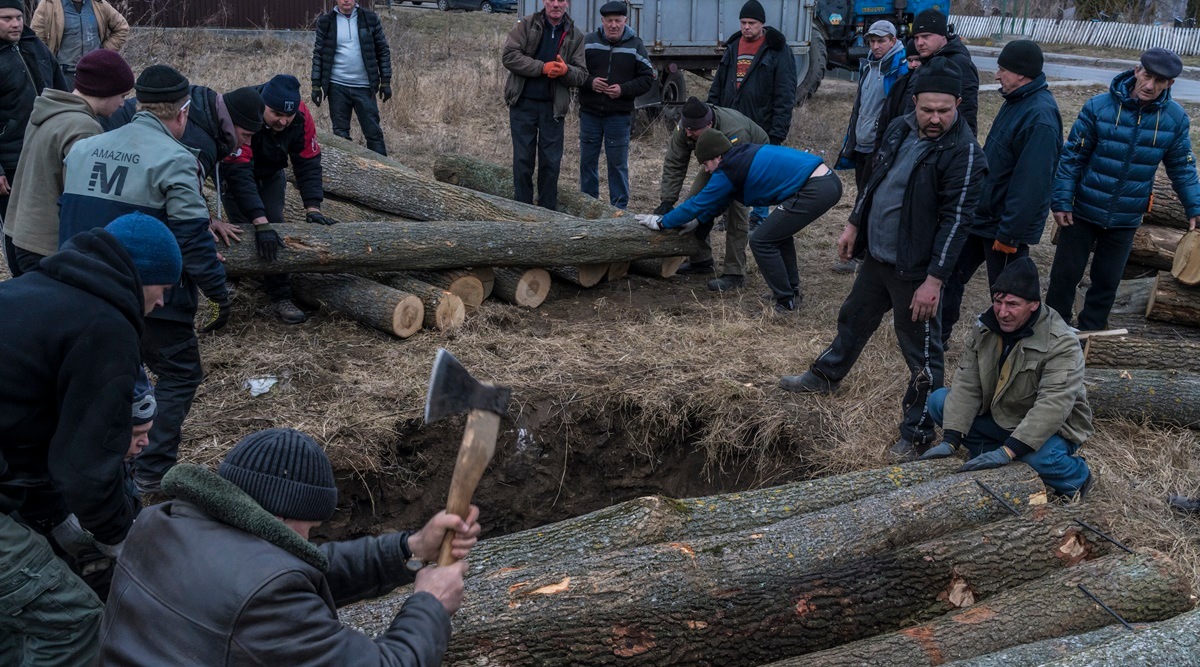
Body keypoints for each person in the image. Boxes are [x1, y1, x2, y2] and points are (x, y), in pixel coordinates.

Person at [97, 428, 481, 665]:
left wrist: (410, 548)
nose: (310, 539)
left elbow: (285, 570)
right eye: (310, 527)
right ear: (281, 516)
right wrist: (430, 604)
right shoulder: (266, 596)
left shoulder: (162, 523)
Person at [779, 58, 986, 461]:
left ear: (958, 104)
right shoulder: (900, 128)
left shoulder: (964, 154)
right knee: (854, 318)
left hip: (917, 270)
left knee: (923, 355)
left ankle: (919, 431)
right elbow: (875, 181)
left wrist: (935, 280)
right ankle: (824, 375)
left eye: (944, 110)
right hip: (878, 256)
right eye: (927, 109)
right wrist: (854, 225)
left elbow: (957, 223)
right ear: (915, 102)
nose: (934, 118)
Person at [0, 213, 182, 666]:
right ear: (143, 277)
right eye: (164, 288)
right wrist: (121, 539)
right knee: (74, 621)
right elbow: (85, 467)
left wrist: (56, 518)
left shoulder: (29, 294)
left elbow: (25, 432)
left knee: (13, 623)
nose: (163, 303)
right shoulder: (104, 327)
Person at [60, 65, 232, 493]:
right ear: (182, 113)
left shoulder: (84, 149)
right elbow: (194, 239)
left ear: (138, 104)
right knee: (179, 372)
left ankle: (109, 460)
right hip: (146, 293)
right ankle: (151, 467)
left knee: (109, 376)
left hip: (78, 284)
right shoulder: (176, 160)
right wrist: (218, 293)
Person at [1047, 47, 1200, 332]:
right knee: (1065, 276)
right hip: (1083, 209)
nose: (1150, 86)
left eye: (1160, 81)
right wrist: (1062, 198)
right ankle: (1053, 329)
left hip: (1126, 216)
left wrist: (1195, 208)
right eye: (1147, 76)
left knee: (1107, 281)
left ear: (1170, 84)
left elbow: (1182, 167)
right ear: (1136, 70)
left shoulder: (1175, 120)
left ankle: (1091, 332)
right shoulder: (1098, 107)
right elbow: (1072, 157)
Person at [919, 257, 1094, 497]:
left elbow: (1054, 405)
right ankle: (998, 454)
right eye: (998, 302)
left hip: (1053, 427)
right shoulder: (984, 327)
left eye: (1012, 304)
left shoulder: (1061, 342)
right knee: (939, 402)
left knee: (1042, 460)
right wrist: (950, 439)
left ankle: (1078, 477)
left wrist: (1008, 452)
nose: (1002, 312)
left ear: (1033, 305)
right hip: (1002, 415)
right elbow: (968, 383)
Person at [940, 40, 1062, 350]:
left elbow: (1032, 186)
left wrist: (1010, 233)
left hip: (1004, 228)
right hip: (982, 216)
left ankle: (1016, 351)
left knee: (1009, 295)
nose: (997, 75)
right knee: (949, 273)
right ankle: (937, 336)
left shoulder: (1041, 117)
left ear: (1021, 74)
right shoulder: (1016, 101)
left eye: (1003, 69)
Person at [637, 129, 841, 312]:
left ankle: (785, 300)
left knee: (762, 240)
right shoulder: (739, 157)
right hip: (824, 182)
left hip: (815, 188)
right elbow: (720, 201)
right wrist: (698, 221)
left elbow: (697, 203)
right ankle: (792, 292)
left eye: (706, 163)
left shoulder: (729, 168)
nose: (706, 170)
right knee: (777, 235)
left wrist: (662, 222)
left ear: (717, 156)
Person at [3, 48, 133, 277]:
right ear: (106, 90)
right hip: (47, 245)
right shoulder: (83, 127)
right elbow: (82, 200)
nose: (123, 104)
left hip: (19, 234)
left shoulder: (48, 110)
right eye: (122, 96)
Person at [223, 74, 340, 325]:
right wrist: (259, 221)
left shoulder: (301, 116)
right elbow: (240, 175)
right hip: (237, 174)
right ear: (263, 103)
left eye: (288, 116)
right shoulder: (245, 110)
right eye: (276, 114)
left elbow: (307, 161)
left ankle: (280, 296)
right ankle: (228, 277)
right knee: (242, 228)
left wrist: (313, 207)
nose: (283, 121)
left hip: (272, 174)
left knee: (275, 227)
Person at [655, 97, 769, 290]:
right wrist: (667, 200)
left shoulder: (735, 132)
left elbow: (728, 186)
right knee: (693, 203)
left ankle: (735, 273)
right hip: (715, 160)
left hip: (749, 160)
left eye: (693, 130)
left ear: (709, 124)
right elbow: (675, 162)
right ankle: (701, 261)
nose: (688, 133)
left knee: (736, 211)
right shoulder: (686, 128)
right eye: (686, 128)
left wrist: (706, 217)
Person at [502, 0, 588, 212]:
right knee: (523, 161)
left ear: (567, 3)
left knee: (551, 163)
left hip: (553, 108)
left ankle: (548, 212)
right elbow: (509, 56)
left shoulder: (576, 35)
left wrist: (565, 71)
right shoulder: (526, 24)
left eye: (561, 0)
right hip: (523, 104)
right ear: (544, 1)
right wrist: (543, 68)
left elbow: (582, 74)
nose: (556, 4)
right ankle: (522, 211)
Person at [578, 0, 655, 210]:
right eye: (609, 21)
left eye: (618, 21)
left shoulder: (635, 45)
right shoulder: (589, 42)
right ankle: (588, 206)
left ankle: (618, 210)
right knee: (587, 163)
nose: (613, 25)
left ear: (625, 21)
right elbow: (575, 72)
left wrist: (624, 89)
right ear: (602, 21)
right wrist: (590, 82)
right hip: (590, 114)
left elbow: (648, 78)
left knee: (617, 165)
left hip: (618, 117)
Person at [0, 0, 68, 227]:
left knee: (48, 221)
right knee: (15, 225)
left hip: (49, 149)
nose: (15, 24)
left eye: (18, 17)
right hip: (11, 158)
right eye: (6, 19)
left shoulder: (34, 45)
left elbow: (61, 91)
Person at [706, 0, 796, 148]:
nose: (746, 27)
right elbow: (717, 89)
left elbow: (784, 96)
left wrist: (776, 135)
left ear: (762, 23)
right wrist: (713, 119)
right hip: (729, 127)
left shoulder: (777, 51)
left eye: (752, 23)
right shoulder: (732, 47)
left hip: (760, 129)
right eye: (743, 22)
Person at [311, 0, 393, 156]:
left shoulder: (370, 19)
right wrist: (316, 85)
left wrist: (386, 81)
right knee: (340, 135)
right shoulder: (326, 22)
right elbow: (319, 53)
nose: (346, 0)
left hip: (364, 86)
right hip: (337, 87)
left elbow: (383, 50)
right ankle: (346, 174)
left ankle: (383, 173)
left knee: (373, 133)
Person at [836, 20, 907, 193]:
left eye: (881, 41)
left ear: (893, 40)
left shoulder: (900, 69)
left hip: (880, 144)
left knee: (873, 194)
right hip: (861, 140)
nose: (875, 46)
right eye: (872, 41)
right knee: (862, 191)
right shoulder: (868, 65)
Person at [908, 8, 978, 136]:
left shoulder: (959, 63)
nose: (919, 43)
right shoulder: (926, 61)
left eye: (925, 36)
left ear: (943, 35)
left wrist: (963, 148)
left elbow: (967, 111)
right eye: (916, 38)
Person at [31, 0, 129, 89]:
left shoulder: (99, 4)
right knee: (67, 108)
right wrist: (48, 63)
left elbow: (122, 27)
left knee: (92, 108)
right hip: (64, 75)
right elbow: (36, 37)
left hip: (94, 73)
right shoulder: (49, 5)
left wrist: (103, 52)